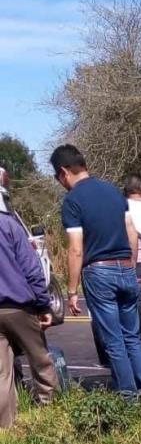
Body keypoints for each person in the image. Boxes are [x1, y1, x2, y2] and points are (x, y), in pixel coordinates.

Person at [50, 145, 141, 399]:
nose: (60, 182)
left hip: (99, 272)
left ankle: (129, 399)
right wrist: (131, 264)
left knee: (113, 341)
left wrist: (72, 291)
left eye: (57, 177)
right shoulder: (113, 191)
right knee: (133, 337)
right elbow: (131, 232)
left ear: (64, 171)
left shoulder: (73, 201)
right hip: (125, 267)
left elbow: (76, 249)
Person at [0, 170, 58, 428]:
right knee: (41, 360)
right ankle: (50, 413)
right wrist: (43, 304)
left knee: (2, 374)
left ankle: (6, 429)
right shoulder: (9, 225)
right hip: (19, 307)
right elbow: (32, 269)